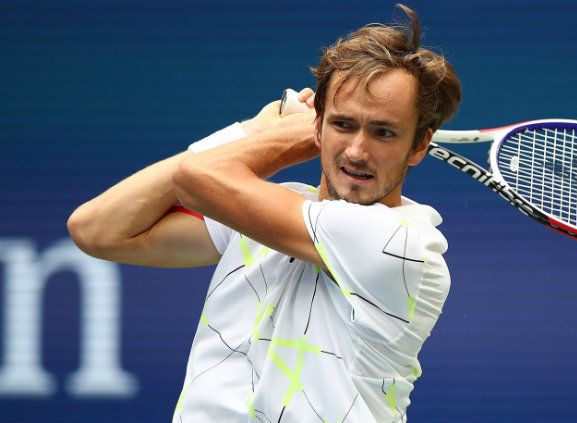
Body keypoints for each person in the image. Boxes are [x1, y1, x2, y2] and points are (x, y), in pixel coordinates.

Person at [67, 4, 461, 422]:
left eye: (383, 132)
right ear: (319, 125)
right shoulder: (271, 208)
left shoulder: (402, 246)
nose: (357, 151)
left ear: (419, 146)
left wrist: (271, 134)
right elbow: (97, 230)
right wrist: (256, 132)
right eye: (343, 125)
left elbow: (197, 176)